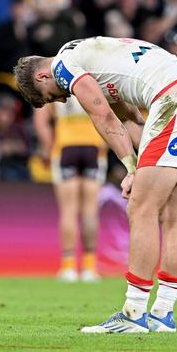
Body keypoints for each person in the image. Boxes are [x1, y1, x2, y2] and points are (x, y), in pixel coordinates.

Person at [14, 36, 177, 333]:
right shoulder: (86, 55)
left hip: (175, 102)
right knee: (175, 213)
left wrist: (132, 168)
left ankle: (134, 312)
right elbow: (132, 117)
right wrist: (143, 163)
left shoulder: (63, 66)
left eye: (51, 96)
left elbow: (104, 116)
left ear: (42, 76)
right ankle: (162, 313)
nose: (62, 100)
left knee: (141, 208)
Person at [34, 97, 107, 282]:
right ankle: (90, 267)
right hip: (94, 146)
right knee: (91, 210)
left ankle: (68, 267)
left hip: (66, 146)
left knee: (68, 210)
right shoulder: (95, 82)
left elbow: (40, 121)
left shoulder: (58, 83)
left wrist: (50, 146)